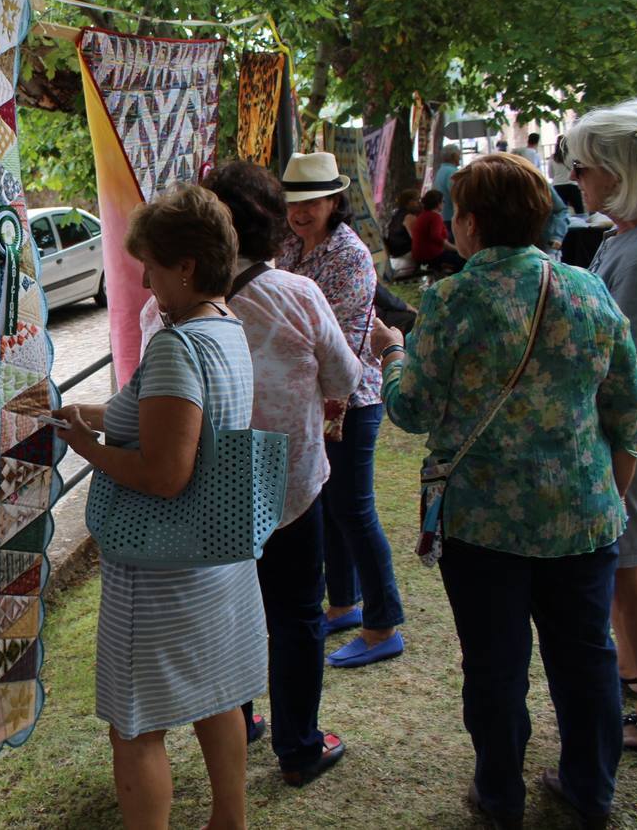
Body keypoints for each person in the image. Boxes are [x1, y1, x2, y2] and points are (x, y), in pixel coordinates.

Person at [373, 152, 637, 828]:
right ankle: (590, 790)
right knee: (586, 658)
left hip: (483, 524)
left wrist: (393, 355)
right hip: (583, 516)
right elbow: (628, 408)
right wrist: (611, 491)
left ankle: (500, 796)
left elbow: (411, 410)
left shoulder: (453, 299)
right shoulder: (587, 288)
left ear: (467, 222)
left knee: (495, 666)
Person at [54, 183, 266, 830]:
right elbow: (169, 423)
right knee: (219, 697)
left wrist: (83, 445)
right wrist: (93, 415)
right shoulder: (225, 329)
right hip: (214, 560)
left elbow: (165, 473)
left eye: (150, 265)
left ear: (186, 266)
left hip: (162, 571)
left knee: (136, 725)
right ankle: (229, 821)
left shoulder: (177, 345)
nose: (145, 282)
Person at [199, 161, 360, 787]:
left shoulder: (175, 307)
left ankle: (239, 725)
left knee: (229, 614)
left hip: (211, 490)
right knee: (296, 616)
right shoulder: (298, 294)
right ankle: (299, 747)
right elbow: (345, 378)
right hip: (290, 489)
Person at [277, 152, 405, 667]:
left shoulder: (350, 255)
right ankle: (346, 604)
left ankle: (383, 625)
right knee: (329, 505)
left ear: (334, 201)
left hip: (352, 397)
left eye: (312, 202)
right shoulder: (289, 246)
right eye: (293, 203)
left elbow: (331, 338)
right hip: (311, 397)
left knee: (354, 509)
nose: (301, 212)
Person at [565, 98, 637, 753]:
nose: (576, 180)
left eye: (584, 168)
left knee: (630, 563)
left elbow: (625, 369)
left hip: (627, 440)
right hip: (618, 435)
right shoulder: (621, 240)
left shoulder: (635, 251)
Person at [409, 189, 465, 272]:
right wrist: (457, 249)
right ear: (438, 204)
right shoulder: (435, 217)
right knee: (464, 259)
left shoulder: (423, 215)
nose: (444, 204)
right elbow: (437, 237)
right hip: (431, 257)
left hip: (420, 257)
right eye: (443, 201)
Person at [382, 188, 418, 280]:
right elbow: (416, 239)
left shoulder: (396, 215)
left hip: (394, 251)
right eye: (417, 200)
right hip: (405, 253)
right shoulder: (409, 216)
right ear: (410, 202)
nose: (418, 203)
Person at [434, 143, 461, 228]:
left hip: (443, 215)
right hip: (451, 217)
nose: (460, 158)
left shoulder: (441, 170)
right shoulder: (452, 172)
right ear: (453, 156)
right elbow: (457, 195)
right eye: (459, 155)